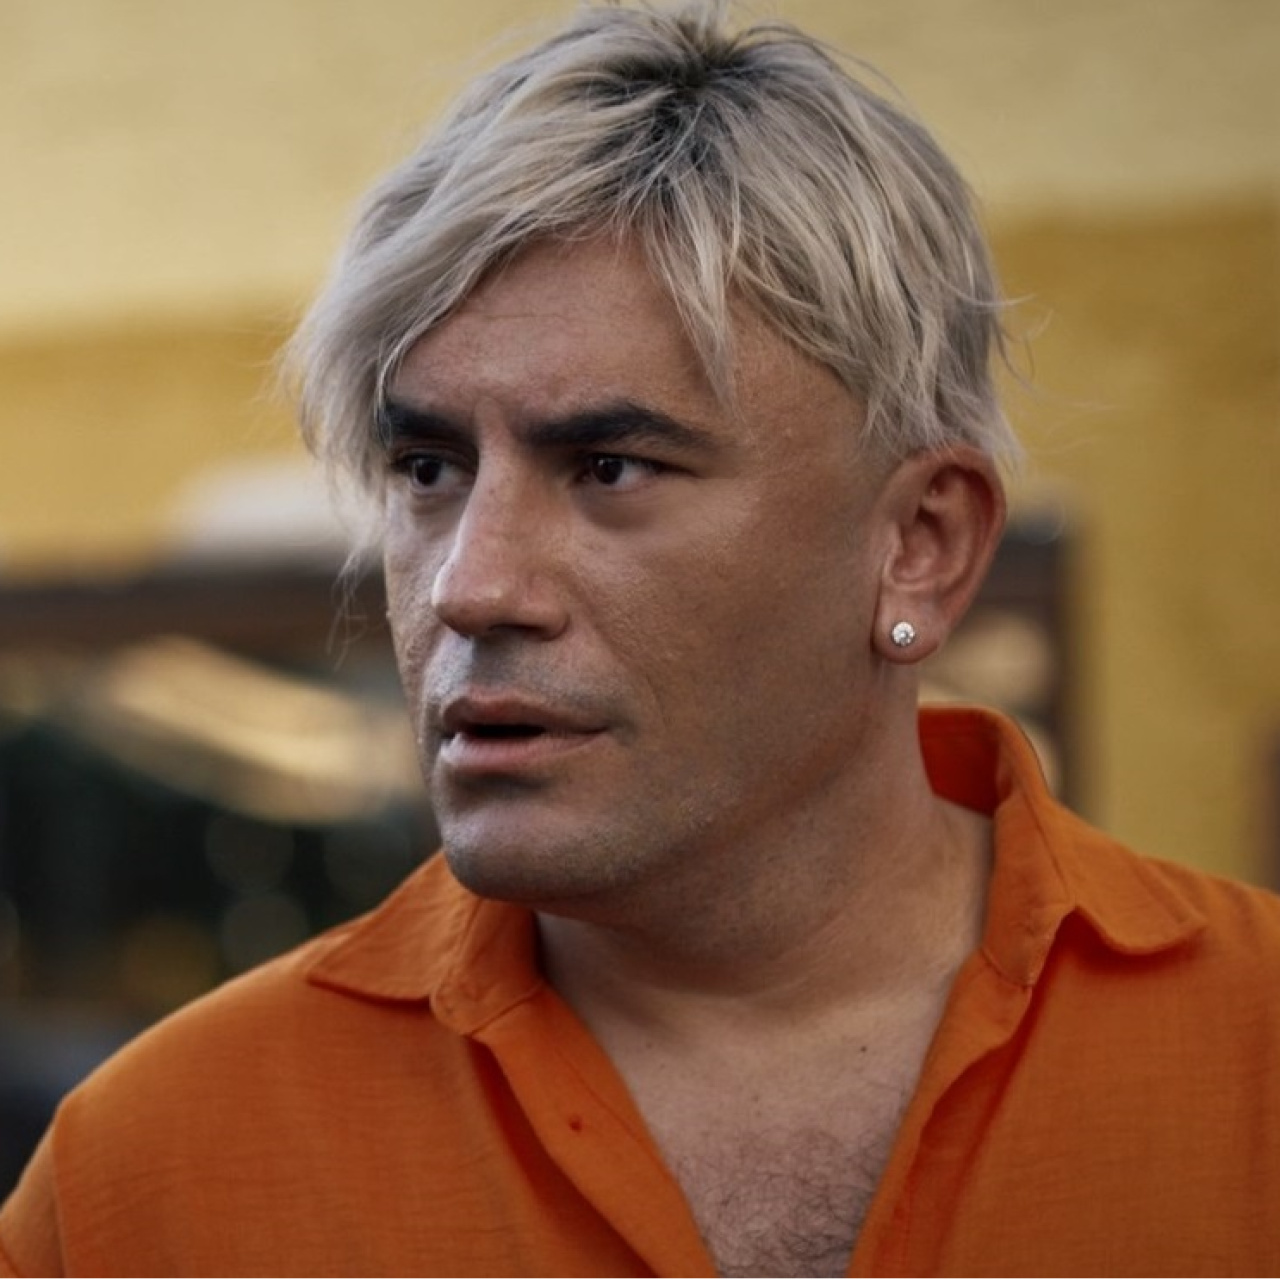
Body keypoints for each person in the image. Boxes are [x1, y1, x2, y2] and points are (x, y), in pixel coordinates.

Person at [3, 2, 1278, 1275]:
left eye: (608, 466)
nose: (470, 586)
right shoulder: (152, 1177)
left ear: (920, 544)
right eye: (428, 467)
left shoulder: (1247, 1055)